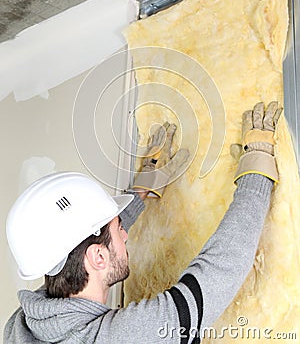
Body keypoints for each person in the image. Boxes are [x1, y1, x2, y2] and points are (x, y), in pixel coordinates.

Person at [4, 101, 282, 344]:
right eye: (119, 230)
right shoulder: (125, 337)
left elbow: (76, 247)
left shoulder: (22, 326)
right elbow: (220, 271)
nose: (125, 236)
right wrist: (257, 167)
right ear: (98, 256)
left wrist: (143, 188)